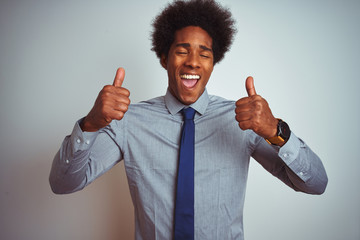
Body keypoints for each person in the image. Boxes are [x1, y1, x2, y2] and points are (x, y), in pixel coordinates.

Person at [49, 0, 328, 239]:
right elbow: (62, 184)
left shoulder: (244, 121)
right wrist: (91, 125)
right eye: (182, 51)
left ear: (212, 64)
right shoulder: (128, 122)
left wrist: (276, 131)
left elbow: (315, 184)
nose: (193, 61)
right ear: (163, 58)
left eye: (204, 54)